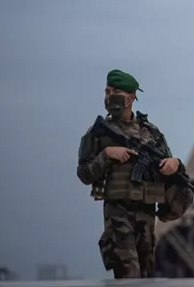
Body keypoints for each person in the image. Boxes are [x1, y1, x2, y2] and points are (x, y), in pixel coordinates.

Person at [77, 70, 187, 279]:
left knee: (145, 272)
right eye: (107, 91)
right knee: (128, 272)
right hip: (118, 212)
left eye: (115, 91)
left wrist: (175, 163)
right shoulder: (98, 132)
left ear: (131, 96)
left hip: (146, 211)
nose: (109, 96)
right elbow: (84, 174)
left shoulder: (151, 132)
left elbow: (167, 163)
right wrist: (107, 154)